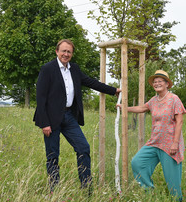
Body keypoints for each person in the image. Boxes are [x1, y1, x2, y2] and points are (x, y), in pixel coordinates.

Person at [33, 39, 121, 192]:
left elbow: (91, 82)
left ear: (72, 54)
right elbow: (40, 98)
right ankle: (54, 190)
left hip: (69, 117)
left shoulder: (75, 69)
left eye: (69, 52)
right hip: (51, 119)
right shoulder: (47, 69)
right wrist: (44, 123)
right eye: (63, 51)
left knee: (83, 148)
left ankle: (86, 188)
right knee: (53, 155)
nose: (66, 54)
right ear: (57, 51)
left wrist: (113, 90)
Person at [117, 70, 186, 201]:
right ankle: (150, 192)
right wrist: (124, 107)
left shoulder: (174, 99)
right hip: (154, 142)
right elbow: (142, 108)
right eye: (155, 82)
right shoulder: (154, 100)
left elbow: (180, 121)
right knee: (137, 162)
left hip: (169, 143)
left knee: (173, 182)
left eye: (160, 81)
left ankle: (177, 200)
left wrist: (175, 143)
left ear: (167, 84)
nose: (157, 83)